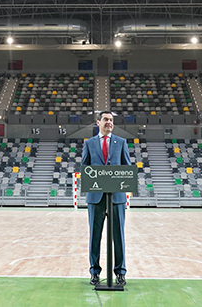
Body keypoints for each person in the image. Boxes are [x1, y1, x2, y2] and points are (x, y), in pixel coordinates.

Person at [81, 111, 132, 286]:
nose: (109, 122)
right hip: (95, 197)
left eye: (111, 120)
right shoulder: (89, 144)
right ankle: (94, 272)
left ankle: (120, 273)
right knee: (94, 237)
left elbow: (127, 167)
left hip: (116, 197)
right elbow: (85, 167)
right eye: (106, 120)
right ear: (98, 122)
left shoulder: (121, 143)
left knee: (119, 236)